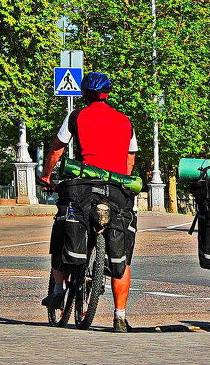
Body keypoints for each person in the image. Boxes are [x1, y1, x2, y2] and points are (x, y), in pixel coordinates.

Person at [40, 71, 139, 333]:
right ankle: (119, 316)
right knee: (123, 257)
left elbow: (58, 148)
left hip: (83, 187)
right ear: (108, 93)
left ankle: (59, 288)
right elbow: (130, 159)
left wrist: (47, 175)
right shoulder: (125, 121)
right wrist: (121, 183)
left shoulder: (77, 116)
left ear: (84, 93)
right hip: (116, 189)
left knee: (63, 228)